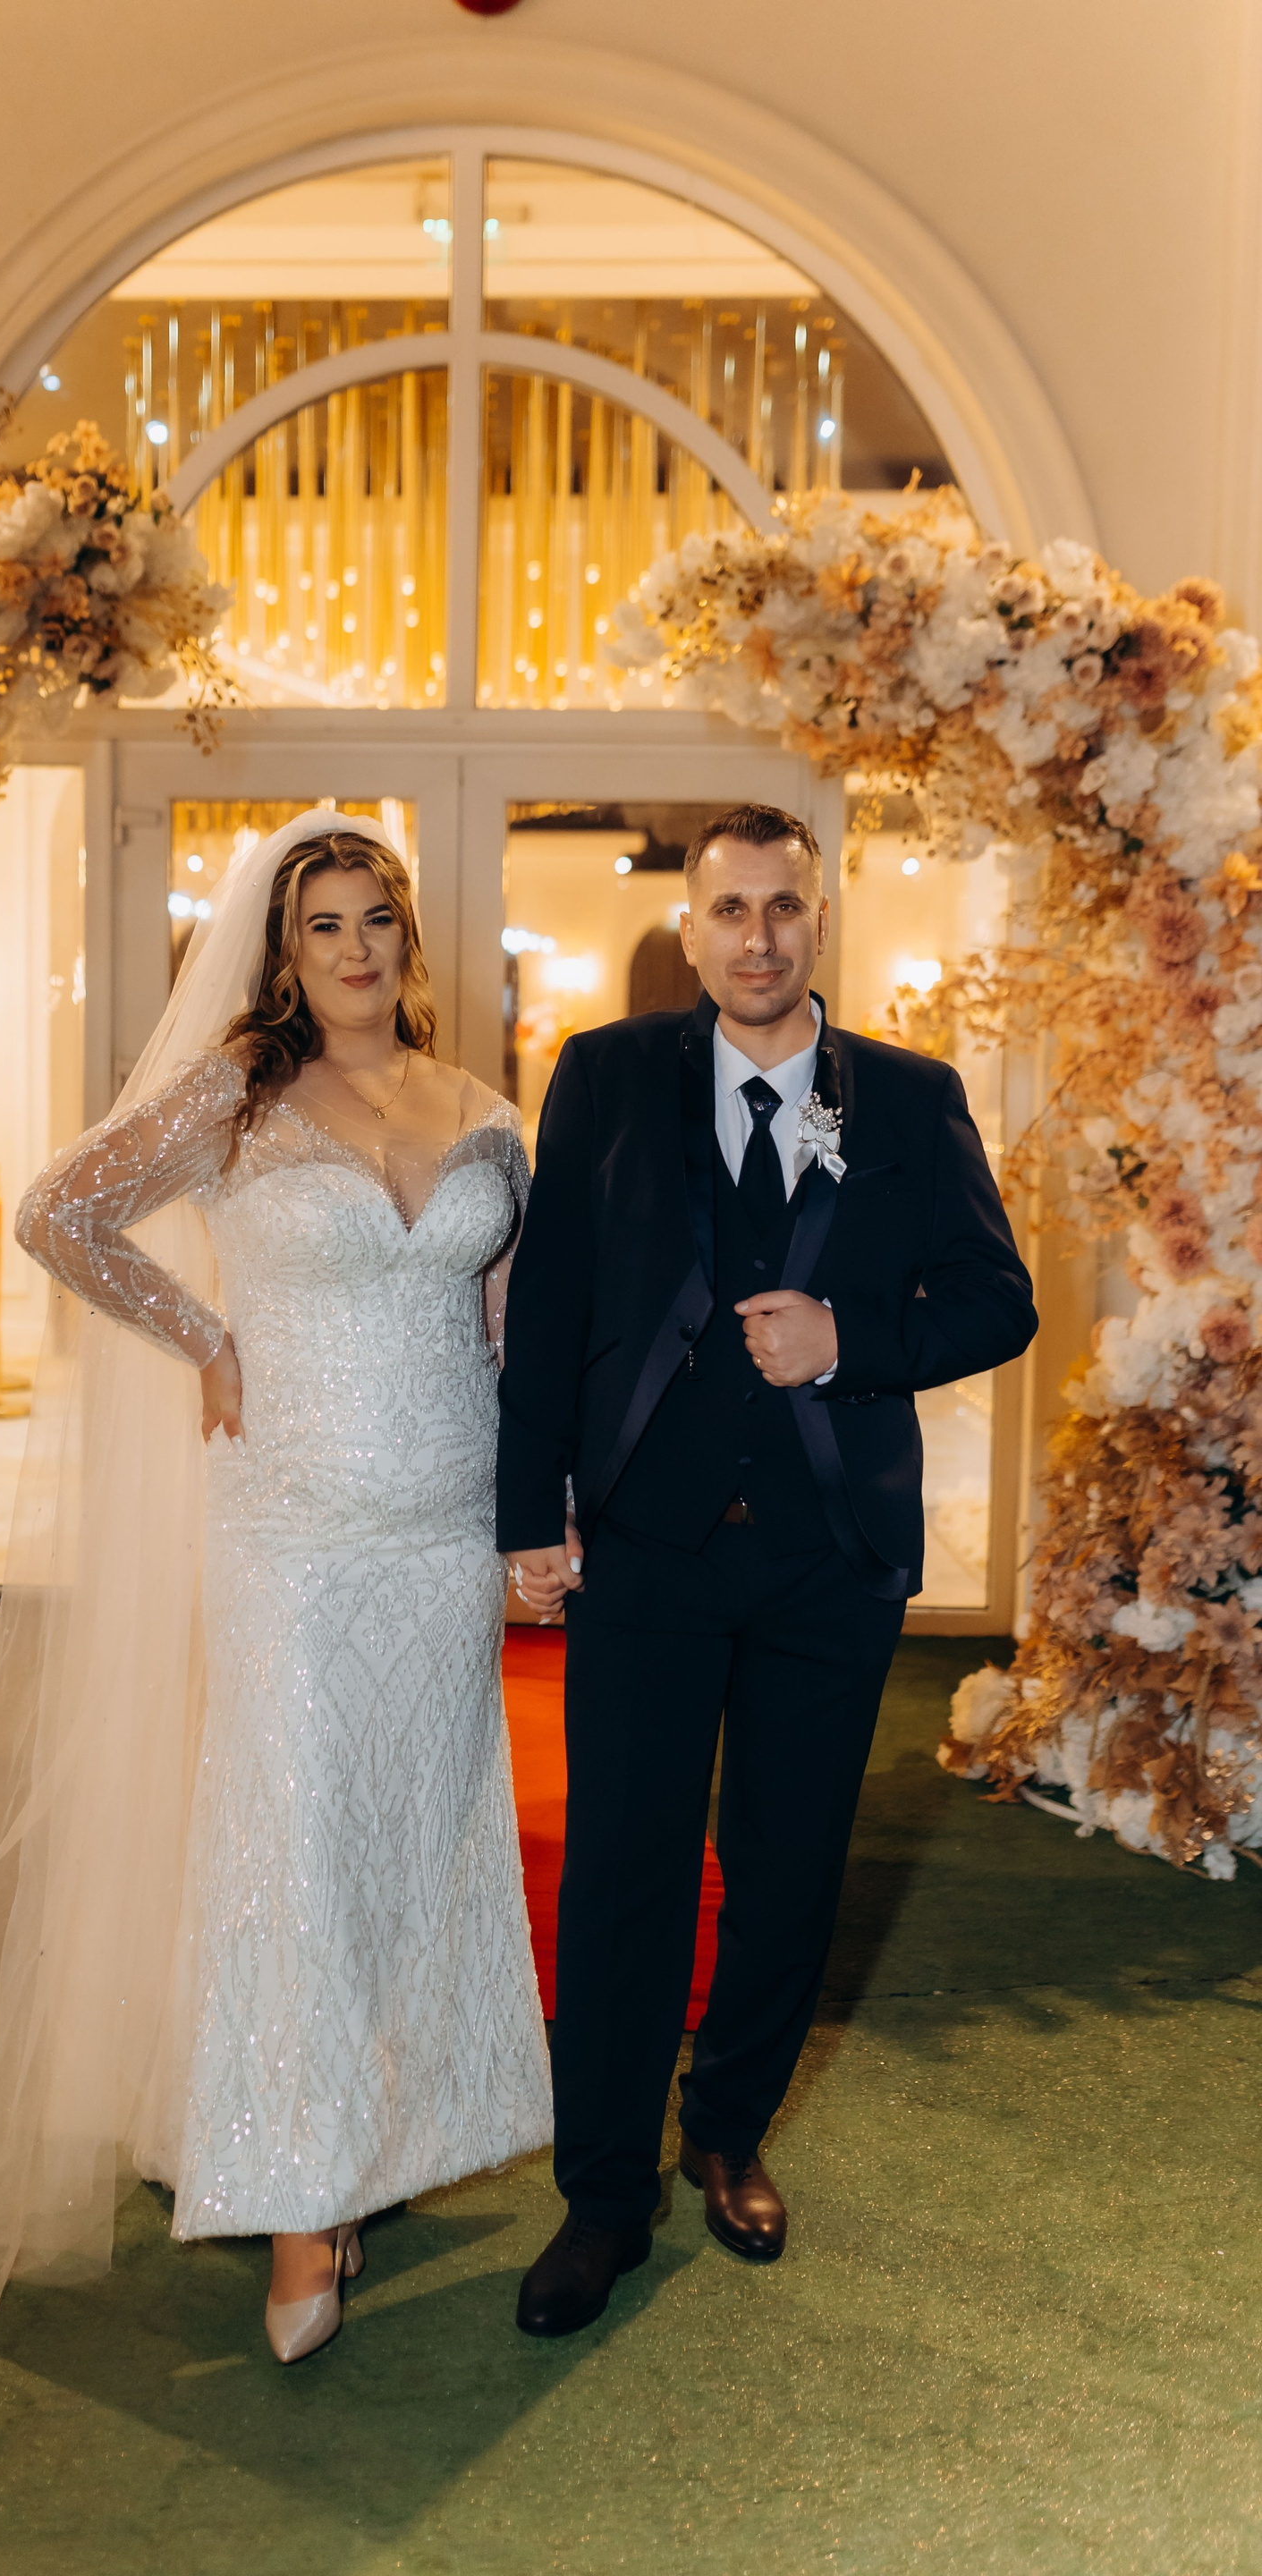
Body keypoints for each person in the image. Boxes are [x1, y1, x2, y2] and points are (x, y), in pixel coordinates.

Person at [0, 809, 550, 2360]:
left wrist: (546, 1515)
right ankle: (301, 2205)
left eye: (375, 919)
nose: (354, 949)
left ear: (407, 937)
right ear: (281, 951)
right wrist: (203, 1338)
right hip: (295, 1533)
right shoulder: (237, 1095)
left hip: (444, 1532)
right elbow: (60, 1214)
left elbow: (509, 1333)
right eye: (324, 925)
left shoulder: (483, 1109)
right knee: (299, 1847)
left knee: (414, 1840)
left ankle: (378, 2136)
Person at [497, 801, 1037, 2336]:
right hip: (647, 1554)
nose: (756, 936)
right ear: (690, 928)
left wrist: (852, 1340)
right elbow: (552, 1309)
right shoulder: (603, 1077)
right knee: (624, 1876)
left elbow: (999, 1300)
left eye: (783, 907)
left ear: (821, 920)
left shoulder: (912, 1098)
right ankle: (605, 2196)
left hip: (828, 1560)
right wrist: (526, 1514)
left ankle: (727, 2135)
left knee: (789, 1870)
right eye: (728, 909)